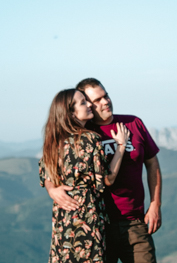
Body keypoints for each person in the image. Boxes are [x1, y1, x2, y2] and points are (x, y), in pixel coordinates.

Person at [46, 79, 162, 263]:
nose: (106, 101)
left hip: (134, 223)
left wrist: (155, 205)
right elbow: (50, 162)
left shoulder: (133, 123)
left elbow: (152, 163)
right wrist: (51, 188)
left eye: (105, 96)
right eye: (97, 100)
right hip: (97, 227)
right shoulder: (82, 133)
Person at [40, 88, 129, 263]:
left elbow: (45, 174)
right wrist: (121, 146)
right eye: (83, 102)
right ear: (71, 113)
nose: (89, 104)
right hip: (87, 215)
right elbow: (107, 179)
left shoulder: (53, 141)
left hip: (63, 217)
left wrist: (52, 189)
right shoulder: (89, 139)